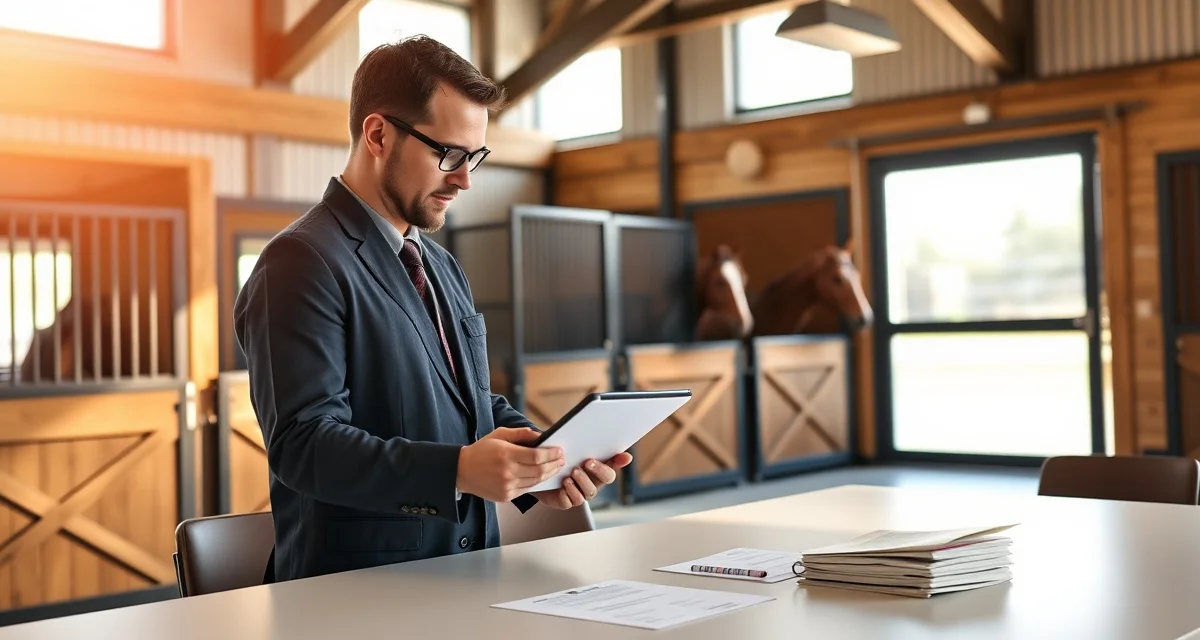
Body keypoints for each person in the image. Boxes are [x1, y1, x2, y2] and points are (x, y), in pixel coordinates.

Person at [233, 35, 632, 582]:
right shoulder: (299, 263)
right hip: (354, 597)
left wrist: (543, 465)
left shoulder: (442, 267)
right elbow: (305, 445)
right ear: (377, 135)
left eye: (475, 157)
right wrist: (460, 469)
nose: (465, 178)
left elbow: (470, 404)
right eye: (449, 153)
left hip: (470, 574)